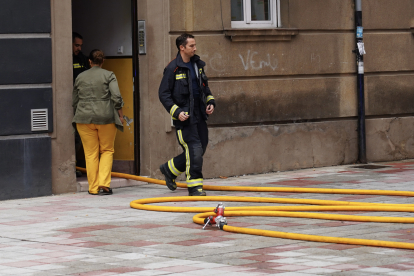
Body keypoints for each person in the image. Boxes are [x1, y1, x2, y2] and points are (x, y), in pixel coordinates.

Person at [158, 33, 216, 196]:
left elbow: (205, 88)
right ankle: (195, 187)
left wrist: (210, 102)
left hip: (199, 115)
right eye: (191, 46)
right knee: (194, 149)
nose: (195, 48)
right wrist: (176, 111)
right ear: (181, 48)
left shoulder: (198, 65)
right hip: (185, 118)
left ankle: (169, 169)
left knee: (201, 146)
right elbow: (163, 94)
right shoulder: (172, 68)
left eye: (195, 45)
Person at [72, 49, 125, 195]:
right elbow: (116, 97)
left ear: (89, 61)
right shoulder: (109, 75)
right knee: (107, 150)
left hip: (83, 118)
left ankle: (93, 188)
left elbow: (74, 101)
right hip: (105, 117)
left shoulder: (80, 77)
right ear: (103, 61)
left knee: (90, 153)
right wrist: (120, 115)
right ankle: (104, 183)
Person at [72, 32, 90, 177]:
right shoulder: (67, 59)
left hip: (83, 104)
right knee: (73, 136)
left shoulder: (83, 59)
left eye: (80, 45)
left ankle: (77, 165)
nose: (79, 48)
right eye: (76, 45)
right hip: (73, 102)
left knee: (79, 137)